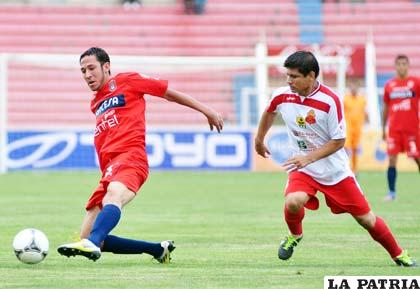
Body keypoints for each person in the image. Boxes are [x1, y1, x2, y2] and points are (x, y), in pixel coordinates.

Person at [57, 47, 224, 263]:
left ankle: (92, 243)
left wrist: (206, 110)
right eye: (82, 71)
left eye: (91, 68)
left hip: (130, 158)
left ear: (106, 66)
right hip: (109, 168)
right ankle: (157, 249)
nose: (87, 75)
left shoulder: (128, 81)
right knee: (88, 235)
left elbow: (169, 93)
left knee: (113, 197)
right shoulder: (95, 101)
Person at [254, 51, 416, 267]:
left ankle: (399, 254)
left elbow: (339, 141)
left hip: (334, 172)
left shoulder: (330, 101)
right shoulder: (282, 95)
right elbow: (270, 112)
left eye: (294, 76)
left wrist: (308, 158)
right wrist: (259, 139)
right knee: (293, 202)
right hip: (304, 170)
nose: (288, 80)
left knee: (366, 219)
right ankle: (295, 236)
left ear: (311, 76)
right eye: (287, 75)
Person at [382, 54, 420, 201]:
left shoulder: (416, 82)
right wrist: (383, 128)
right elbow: (385, 107)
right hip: (394, 131)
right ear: (395, 66)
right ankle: (391, 193)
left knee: (417, 158)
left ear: (408, 65)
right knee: (392, 159)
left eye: (404, 64)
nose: (401, 66)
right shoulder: (390, 85)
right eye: (399, 64)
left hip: (412, 130)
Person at [343, 82, 367, 174]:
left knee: (355, 149)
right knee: (346, 147)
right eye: (352, 87)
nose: (353, 89)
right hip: (348, 126)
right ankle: (345, 168)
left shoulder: (362, 100)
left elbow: (364, 112)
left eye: (355, 87)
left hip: (358, 127)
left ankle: (355, 169)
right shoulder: (346, 99)